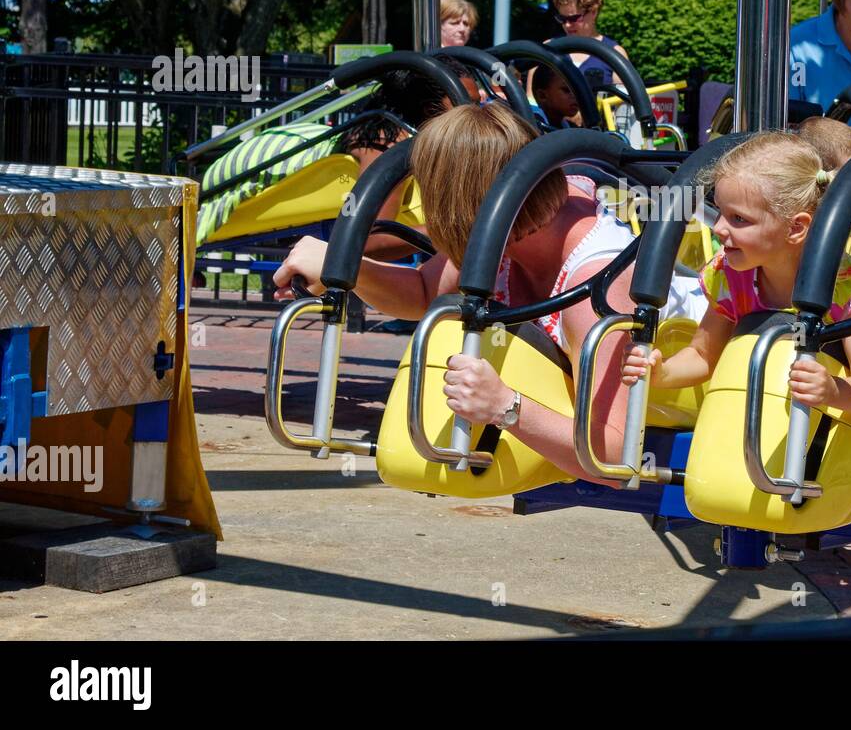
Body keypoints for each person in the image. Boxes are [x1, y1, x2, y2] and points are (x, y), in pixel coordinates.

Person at [272, 103, 705, 484]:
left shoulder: (595, 286)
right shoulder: (508, 225)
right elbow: (426, 291)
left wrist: (505, 407)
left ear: (458, 206)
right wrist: (342, 266)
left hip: (689, 389)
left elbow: (612, 457)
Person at [622, 132, 851, 439]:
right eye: (720, 212)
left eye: (738, 219)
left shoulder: (844, 288)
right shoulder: (730, 275)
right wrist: (661, 372)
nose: (719, 228)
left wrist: (831, 389)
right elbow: (701, 355)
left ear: (796, 228)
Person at [196, 69, 452, 256]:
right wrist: (450, 232)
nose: (478, 111)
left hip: (247, 162)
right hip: (228, 190)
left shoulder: (389, 137)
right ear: (430, 110)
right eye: (468, 103)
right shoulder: (387, 145)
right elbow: (367, 241)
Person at [547, 0, 628, 92]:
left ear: (593, 12)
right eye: (562, 19)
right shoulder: (548, 48)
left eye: (574, 18)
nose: (567, 25)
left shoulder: (615, 53)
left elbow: (622, 105)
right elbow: (532, 100)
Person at [528, 64, 582, 128]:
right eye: (566, 90)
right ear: (542, 96)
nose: (576, 96)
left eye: (577, 90)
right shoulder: (532, 127)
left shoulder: (572, 128)